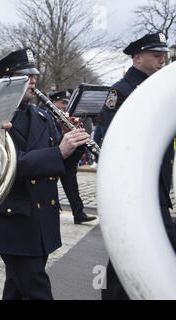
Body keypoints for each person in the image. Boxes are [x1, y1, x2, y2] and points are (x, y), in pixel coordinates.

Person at [0, 48, 90, 300]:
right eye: (25, 75)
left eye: (33, 75)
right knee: (37, 289)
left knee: (17, 289)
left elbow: (60, 166)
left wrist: (72, 143)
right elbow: (3, 168)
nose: (33, 81)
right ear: (6, 81)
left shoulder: (41, 115)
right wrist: (58, 152)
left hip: (42, 219)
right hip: (13, 222)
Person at [101, 32, 176, 300]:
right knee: (160, 243)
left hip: (157, 184)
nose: (162, 62)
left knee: (130, 252)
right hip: (136, 187)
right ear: (137, 57)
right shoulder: (120, 92)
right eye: (156, 56)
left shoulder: (159, 89)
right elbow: (116, 139)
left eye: (164, 57)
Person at [49, 90, 96, 224]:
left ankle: (79, 213)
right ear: (54, 102)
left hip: (68, 157)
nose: (64, 106)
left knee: (71, 185)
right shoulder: (46, 115)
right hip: (54, 155)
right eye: (62, 103)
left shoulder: (66, 116)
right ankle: (55, 209)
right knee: (51, 185)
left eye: (66, 103)